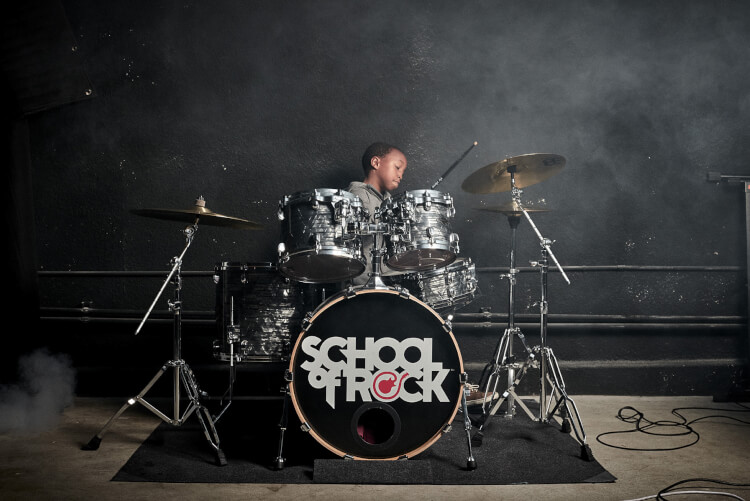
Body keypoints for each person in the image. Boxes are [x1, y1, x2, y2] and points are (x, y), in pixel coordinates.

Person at [347, 142, 407, 286]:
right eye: (397, 168)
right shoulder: (356, 197)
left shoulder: (389, 201)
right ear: (375, 162)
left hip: (385, 281)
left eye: (402, 172)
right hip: (362, 285)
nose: (400, 175)